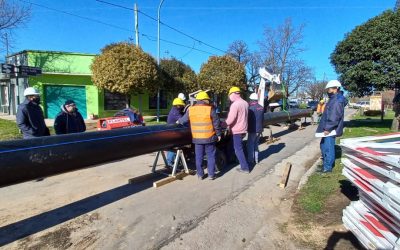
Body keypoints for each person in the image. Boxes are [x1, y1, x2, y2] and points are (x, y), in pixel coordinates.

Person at [178, 91, 221, 180]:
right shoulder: (210, 109)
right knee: (210, 156)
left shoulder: (191, 109)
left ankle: (200, 175)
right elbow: (216, 122)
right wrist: (219, 134)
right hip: (209, 137)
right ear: (204, 100)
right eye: (208, 99)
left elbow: (183, 120)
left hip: (197, 138)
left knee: (199, 157)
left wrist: (178, 121)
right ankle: (211, 175)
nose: (209, 101)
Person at [316, 80, 346, 173]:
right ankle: (326, 164)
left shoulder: (337, 100)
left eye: (329, 89)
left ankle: (327, 168)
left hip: (330, 129)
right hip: (328, 128)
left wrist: (328, 128)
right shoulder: (333, 98)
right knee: (323, 146)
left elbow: (334, 116)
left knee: (328, 148)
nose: (328, 90)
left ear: (335, 89)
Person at [225, 86, 250, 173]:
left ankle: (245, 167)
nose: (229, 97)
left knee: (238, 149)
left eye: (230, 95)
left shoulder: (235, 105)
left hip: (237, 131)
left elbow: (231, 119)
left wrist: (223, 124)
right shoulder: (245, 103)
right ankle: (232, 160)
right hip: (243, 129)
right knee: (236, 147)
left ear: (233, 94)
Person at [166, 98, 185, 167]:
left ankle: (171, 161)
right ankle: (170, 163)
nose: (182, 106)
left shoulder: (174, 110)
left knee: (172, 146)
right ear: (178, 106)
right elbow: (183, 120)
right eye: (181, 105)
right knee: (174, 146)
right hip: (172, 133)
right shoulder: (175, 113)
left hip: (172, 131)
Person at [247, 93, 264, 165]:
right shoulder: (261, 107)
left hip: (253, 130)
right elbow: (262, 119)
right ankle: (256, 160)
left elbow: (248, 120)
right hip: (259, 129)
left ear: (251, 100)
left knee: (250, 144)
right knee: (256, 144)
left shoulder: (250, 108)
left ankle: (250, 160)